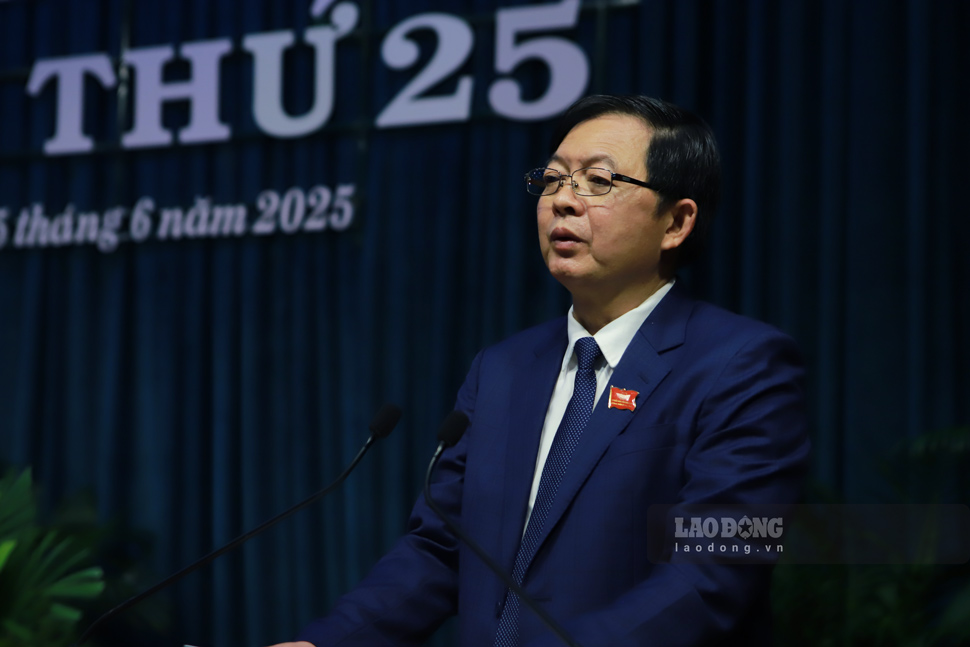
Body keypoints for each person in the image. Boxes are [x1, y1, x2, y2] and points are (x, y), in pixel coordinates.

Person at [268, 94, 809, 647]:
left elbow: (712, 574)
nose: (562, 202)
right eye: (552, 180)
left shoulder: (744, 365)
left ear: (676, 221)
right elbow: (441, 547)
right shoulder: (501, 369)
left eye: (598, 182)